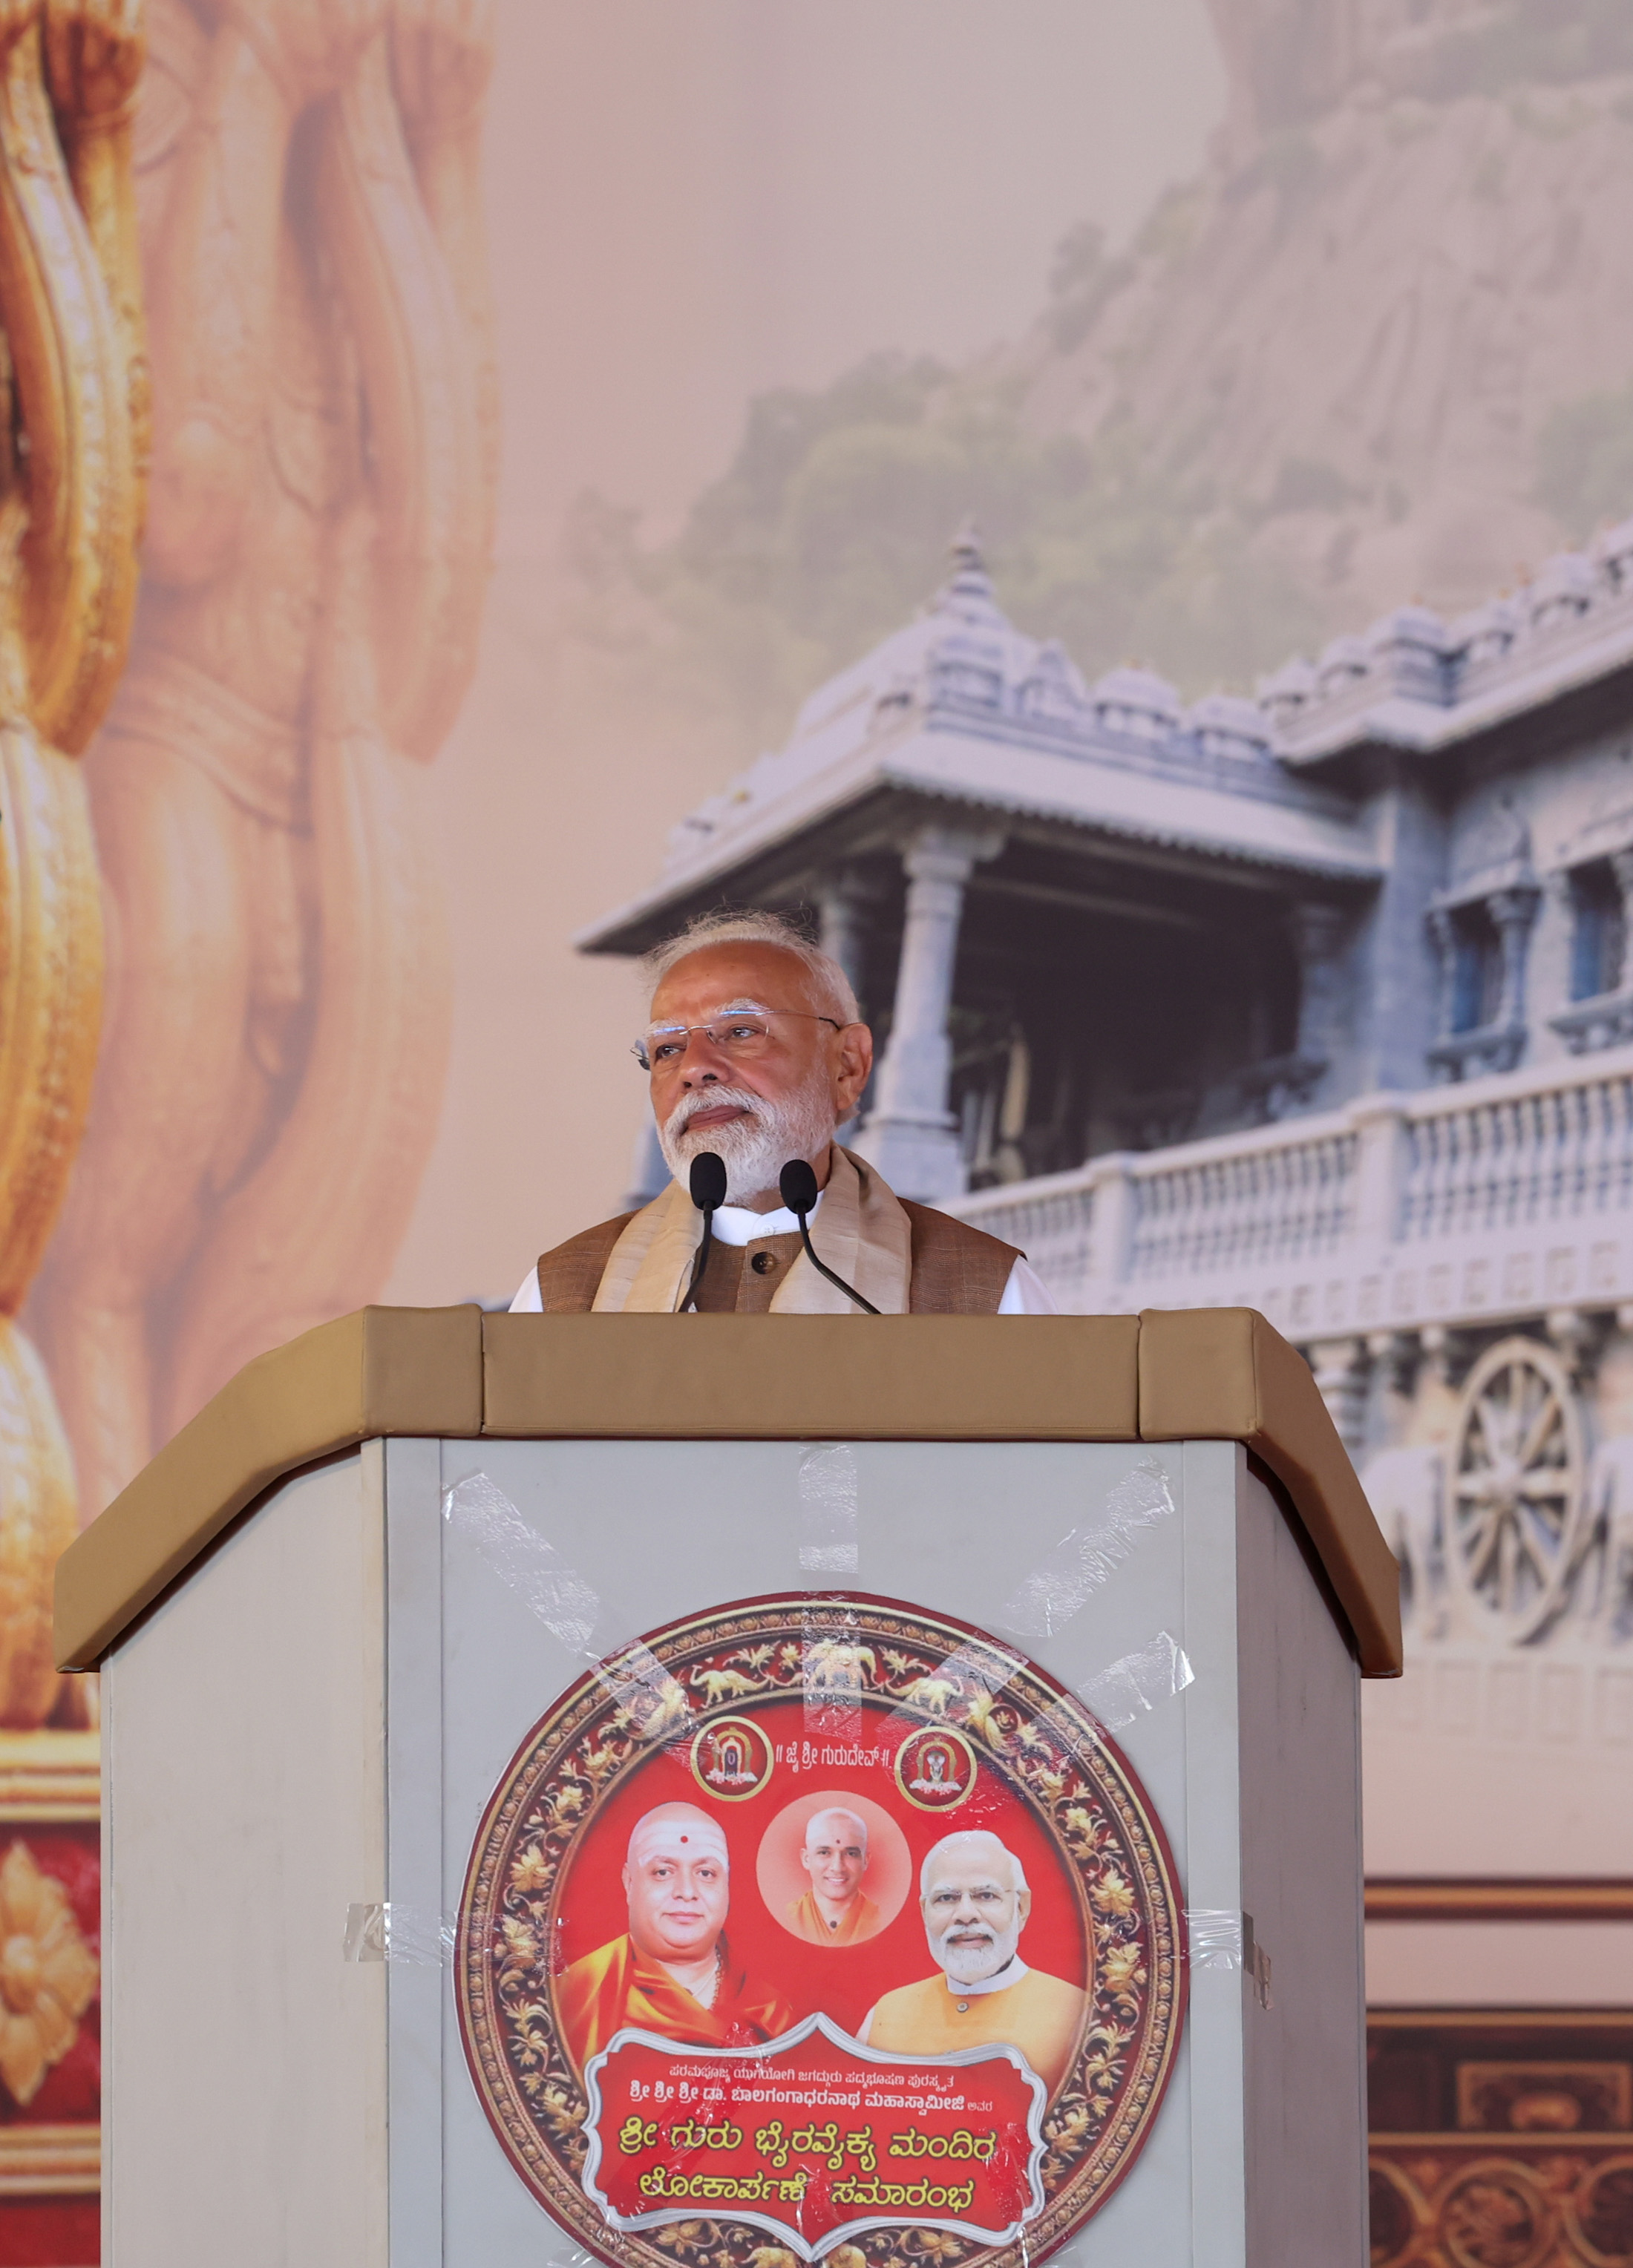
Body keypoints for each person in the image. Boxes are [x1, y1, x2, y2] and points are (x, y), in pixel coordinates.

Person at [510, 911, 1058, 1315]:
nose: (694, 1069)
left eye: (741, 1032)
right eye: (667, 1049)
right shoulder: (562, 1293)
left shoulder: (986, 1290)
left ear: (847, 1066)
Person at [554, 1803, 793, 2069]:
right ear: (629, 1883)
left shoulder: (768, 2012)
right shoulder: (578, 1994)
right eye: (663, 1872)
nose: (686, 1891)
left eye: (705, 1873)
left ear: (727, 1885)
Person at [857, 1831, 1086, 2096]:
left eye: (986, 1895)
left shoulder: (1077, 2015)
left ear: (1021, 1907)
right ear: (924, 1912)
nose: (965, 1915)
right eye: (946, 1898)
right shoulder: (886, 2014)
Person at [785, 1808, 883, 1946]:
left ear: (865, 1861)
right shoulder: (787, 1919)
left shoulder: (881, 1921)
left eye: (851, 1854)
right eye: (825, 1853)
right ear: (806, 1859)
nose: (837, 1867)